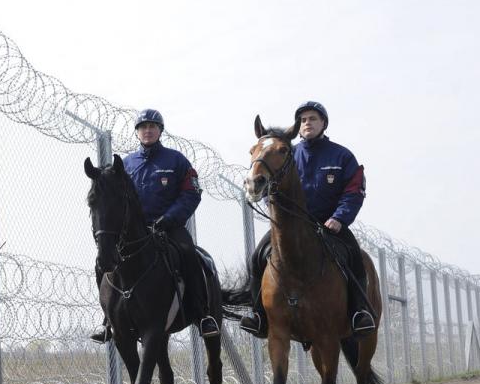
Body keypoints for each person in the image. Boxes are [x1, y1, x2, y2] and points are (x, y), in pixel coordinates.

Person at [239, 100, 376, 337]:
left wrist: (339, 218)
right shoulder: (285, 153)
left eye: (313, 118)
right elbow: (269, 186)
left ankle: (359, 312)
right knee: (257, 257)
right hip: (291, 227)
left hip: (330, 224)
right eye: (303, 120)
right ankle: (258, 315)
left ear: (323, 123)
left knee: (354, 255)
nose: (307, 123)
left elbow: (354, 191)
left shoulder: (342, 156)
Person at [92, 108, 220, 343]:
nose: (147, 131)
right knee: (103, 262)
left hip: (168, 228)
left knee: (188, 253)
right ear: (137, 132)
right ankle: (108, 320)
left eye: (152, 126)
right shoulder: (126, 164)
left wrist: (170, 218)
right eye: (143, 127)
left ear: (160, 131)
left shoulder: (176, 160)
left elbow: (192, 193)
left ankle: (203, 315)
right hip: (132, 234)